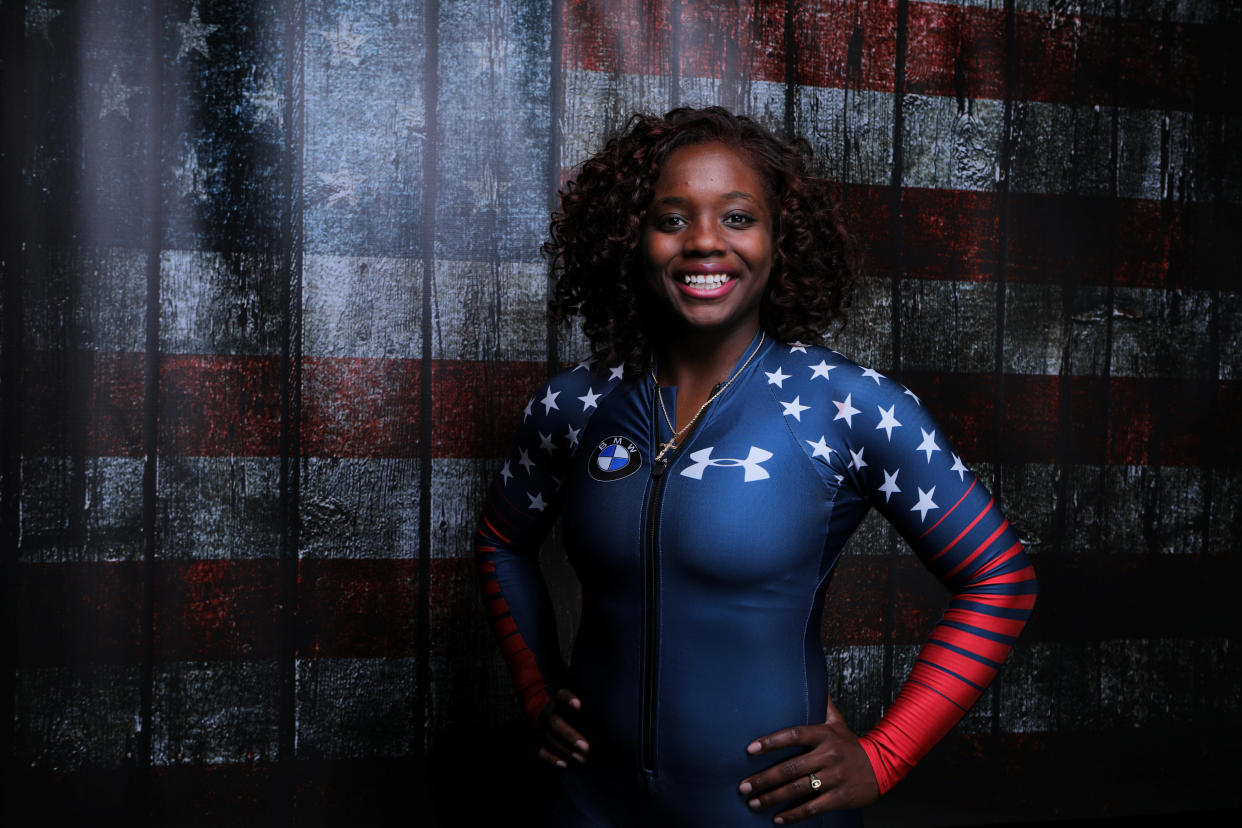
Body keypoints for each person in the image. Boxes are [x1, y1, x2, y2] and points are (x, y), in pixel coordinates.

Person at [474, 107, 1036, 826]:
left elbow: (1000, 578)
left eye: (738, 218)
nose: (705, 242)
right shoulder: (575, 405)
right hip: (587, 805)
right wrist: (535, 691)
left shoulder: (843, 405)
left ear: (780, 242)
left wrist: (883, 755)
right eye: (671, 219)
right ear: (630, 241)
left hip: (766, 815)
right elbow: (500, 542)